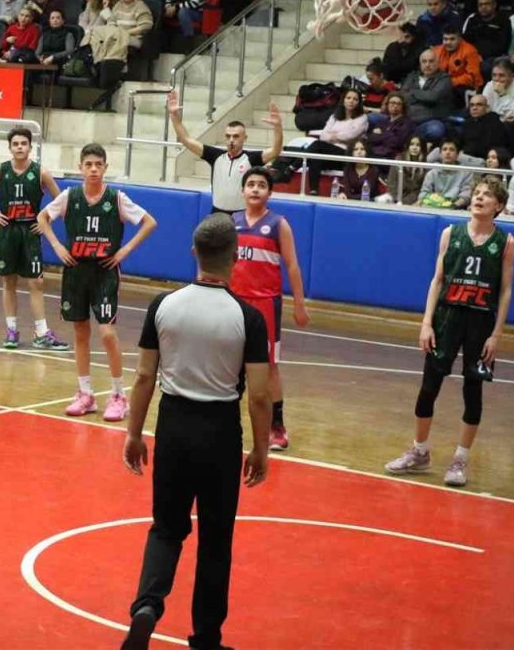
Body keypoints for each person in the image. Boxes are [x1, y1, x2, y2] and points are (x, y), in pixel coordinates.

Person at [120, 213, 271, 650]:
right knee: (215, 540)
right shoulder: (248, 318)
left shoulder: (163, 306)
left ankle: (147, 606)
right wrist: (262, 449)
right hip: (221, 431)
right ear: (235, 258)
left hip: (173, 425)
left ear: (194, 253)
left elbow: (144, 377)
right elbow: (259, 396)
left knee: (166, 528)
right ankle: (205, 638)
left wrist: (133, 434)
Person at [385, 176, 514, 488]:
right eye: (477, 193)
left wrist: (496, 334)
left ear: (498, 206)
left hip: (481, 321)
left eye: (487, 195)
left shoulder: (506, 242)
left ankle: (460, 458)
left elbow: (506, 290)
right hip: (447, 316)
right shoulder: (450, 233)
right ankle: (419, 451)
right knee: (429, 385)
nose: (479, 198)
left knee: (473, 390)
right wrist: (426, 322)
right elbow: (437, 280)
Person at [37, 144, 158, 422]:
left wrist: (124, 250)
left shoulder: (116, 198)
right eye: (88, 164)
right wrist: (56, 245)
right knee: (80, 332)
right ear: (80, 167)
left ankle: (118, 395)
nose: (93, 169)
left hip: (104, 271)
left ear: (105, 168)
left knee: (106, 333)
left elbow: (149, 222)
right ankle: (85, 393)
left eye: (98, 164)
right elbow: (42, 218)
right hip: (76, 270)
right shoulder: (70, 196)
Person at [231, 166, 309, 452]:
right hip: (235, 302)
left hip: (265, 304)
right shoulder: (231, 222)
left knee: (270, 368)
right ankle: (229, 421)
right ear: (242, 191)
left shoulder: (278, 224)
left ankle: (277, 426)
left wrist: (299, 306)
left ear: (270, 192)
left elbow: (292, 266)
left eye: (261, 185)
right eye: (250, 184)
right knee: (231, 364)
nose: (254, 189)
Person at [0, 129, 70, 351]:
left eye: (24, 143)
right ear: (10, 147)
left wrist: (45, 219)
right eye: (15, 143)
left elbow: (62, 199)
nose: (19, 147)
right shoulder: (0, 170)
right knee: (9, 281)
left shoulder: (40, 173)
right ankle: (11, 329)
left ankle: (41, 332)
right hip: (8, 230)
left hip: (30, 230)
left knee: (36, 281)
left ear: (30, 147)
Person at [169, 91, 282, 213]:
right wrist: (174, 116)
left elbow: (276, 150)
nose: (231, 140)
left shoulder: (251, 158)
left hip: (241, 215)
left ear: (245, 138)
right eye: (228, 136)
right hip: (217, 213)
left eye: (236, 136)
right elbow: (186, 140)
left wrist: (277, 127)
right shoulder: (215, 156)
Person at [400, 49, 453, 144]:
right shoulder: (412, 76)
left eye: (431, 61)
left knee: (436, 129)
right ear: (420, 64)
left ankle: (410, 140)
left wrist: (413, 92)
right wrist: (422, 97)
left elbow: (433, 97)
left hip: (429, 122)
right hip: (407, 120)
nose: (427, 65)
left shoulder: (444, 79)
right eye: (424, 61)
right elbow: (403, 96)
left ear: (438, 63)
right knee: (373, 118)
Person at [417, 139, 473, 209]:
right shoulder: (432, 173)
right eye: (444, 149)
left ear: (457, 155)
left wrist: (452, 206)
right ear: (440, 154)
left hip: (455, 208)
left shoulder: (466, 173)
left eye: (451, 150)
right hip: (432, 206)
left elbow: (466, 196)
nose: (448, 152)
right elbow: (424, 193)